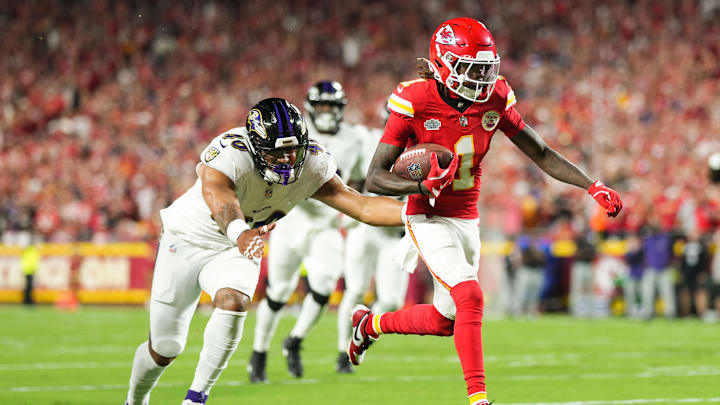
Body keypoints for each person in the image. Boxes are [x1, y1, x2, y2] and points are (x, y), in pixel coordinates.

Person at [348, 18, 623, 405]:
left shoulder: (495, 97)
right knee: (471, 296)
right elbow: (374, 179)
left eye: (485, 68)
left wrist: (591, 185)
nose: (481, 77)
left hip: (466, 218)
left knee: (446, 321)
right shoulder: (415, 99)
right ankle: (478, 399)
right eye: (471, 68)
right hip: (426, 215)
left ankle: (369, 324)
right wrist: (421, 186)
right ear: (444, 63)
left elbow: (540, 152)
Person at [124, 97, 404, 405]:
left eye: (292, 150)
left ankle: (196, 397)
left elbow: (360, 205)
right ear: (257, 148)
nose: (286, 159)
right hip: (189, 238)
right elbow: (216, 193)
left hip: (237, 246)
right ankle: (135, 400)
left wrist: (413, 215)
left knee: (234, 301)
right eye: (276, 152)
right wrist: (238, 231)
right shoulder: (233, 151)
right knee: (165, 347)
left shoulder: (312, 163)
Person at [247, 81, 370, 381]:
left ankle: (295, 339)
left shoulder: (356, 137)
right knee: (278, 293)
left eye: (333, 106)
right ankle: (259, 352)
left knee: (325, 287)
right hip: (291, 219)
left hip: (326, 224)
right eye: (323, 106)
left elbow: (358, 179)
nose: (327, 112)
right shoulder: (297, 132)